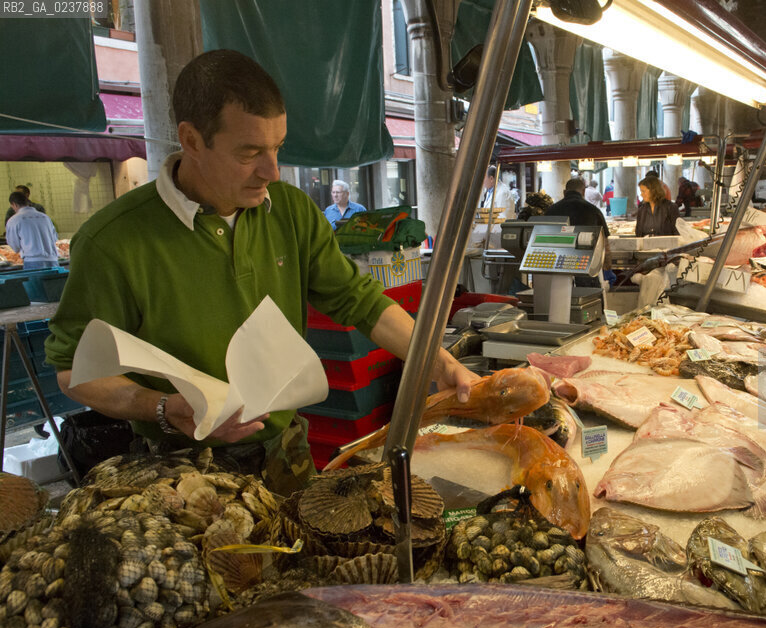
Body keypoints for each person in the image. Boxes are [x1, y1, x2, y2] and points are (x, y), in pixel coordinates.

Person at [44, 49, 477, 495]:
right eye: (250, 153)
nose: (271, 171)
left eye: (277, 148)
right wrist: (160, 407)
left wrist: (437, 362)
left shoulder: (290, 211)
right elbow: (72, 370)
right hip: (180, 474)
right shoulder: (112, 240)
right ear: (192, 140)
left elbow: (359, 301)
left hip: (286, 455)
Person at [6, 191, 60, 269]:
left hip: (33, 261)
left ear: (14, 204)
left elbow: (15, 246)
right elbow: (54, 238)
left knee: (36, 281)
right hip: (53, 260)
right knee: (52, 281)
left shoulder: (14, 220)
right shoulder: (45, 217)